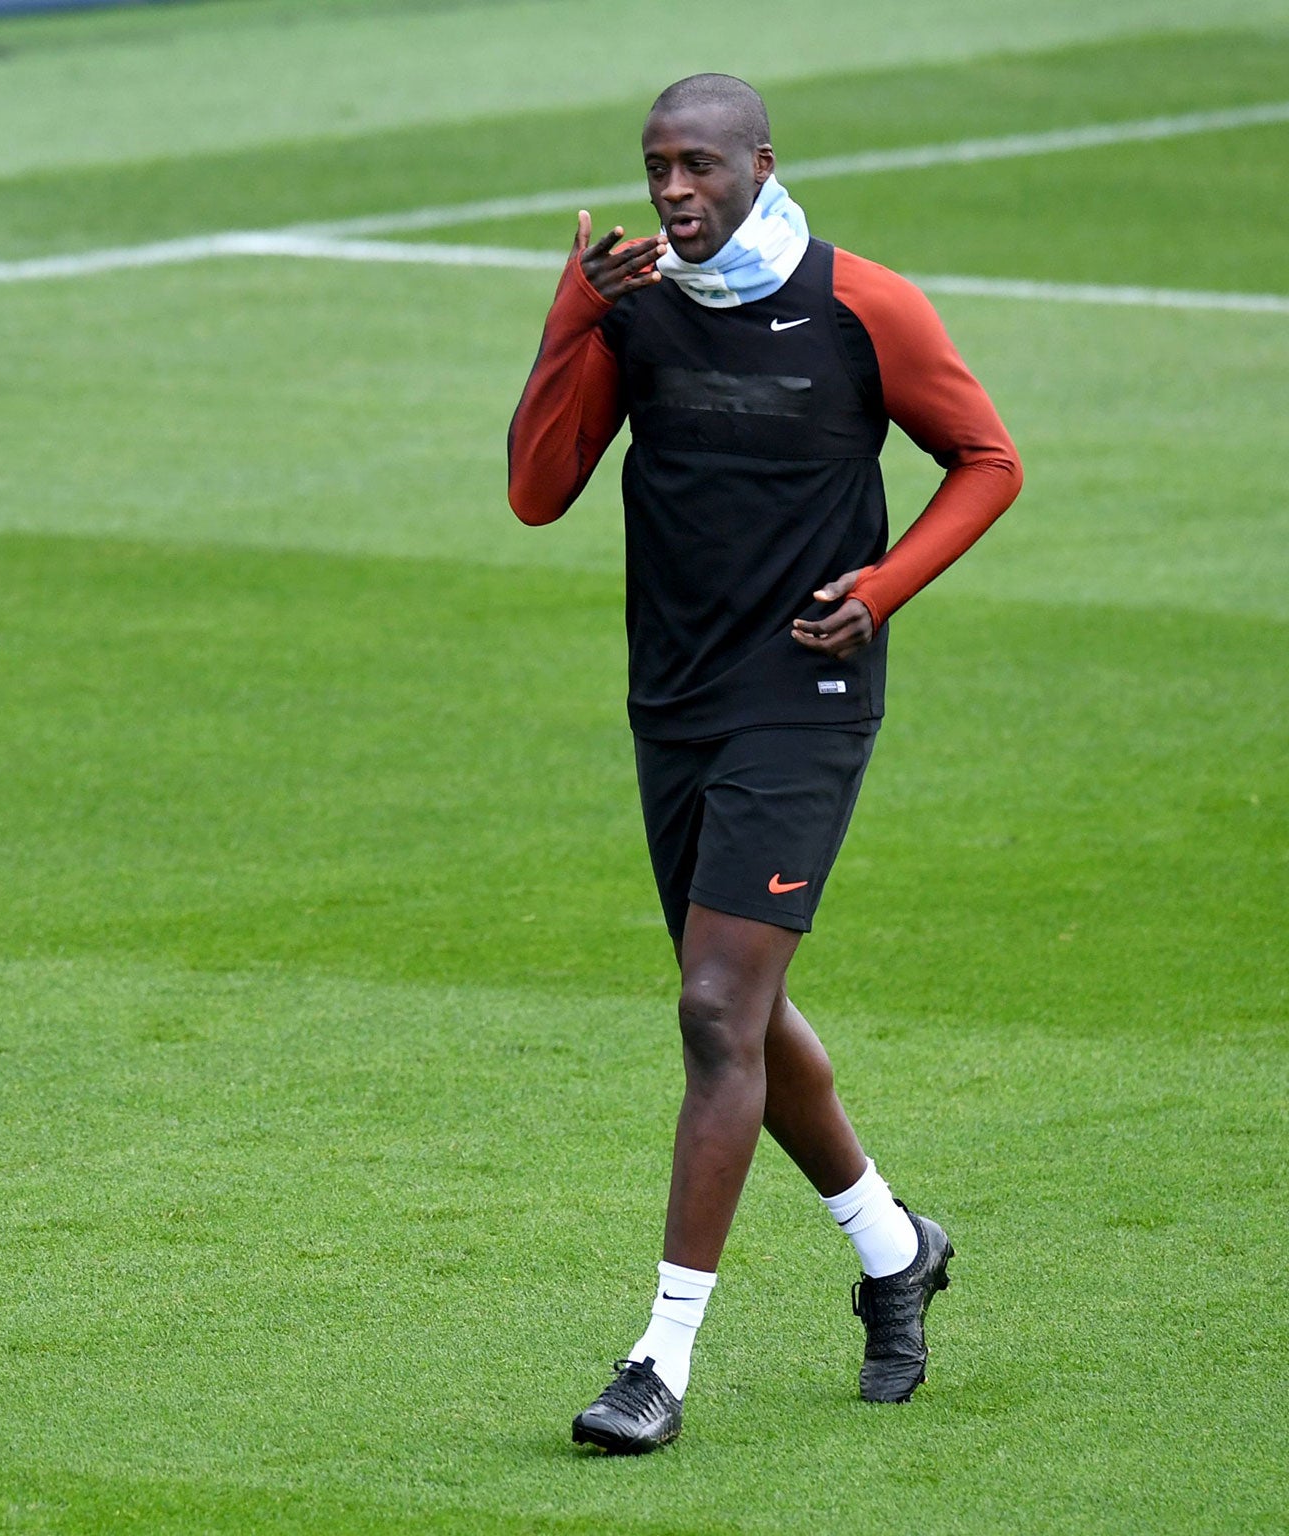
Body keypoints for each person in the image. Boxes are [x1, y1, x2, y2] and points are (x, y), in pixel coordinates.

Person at [506, 76, 1022, 1453]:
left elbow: (985, 458)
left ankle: (657, 1361)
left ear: (759, 166)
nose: (673, 190)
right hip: (672, 698)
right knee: (731, 1003)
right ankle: (894, 1246)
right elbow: (536, 490)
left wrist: (888, 584)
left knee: (715, 1007)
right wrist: (575, 309)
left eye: (697, 167)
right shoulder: (637, 307)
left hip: (807, 691)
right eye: (655, 166)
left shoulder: (866, 307)